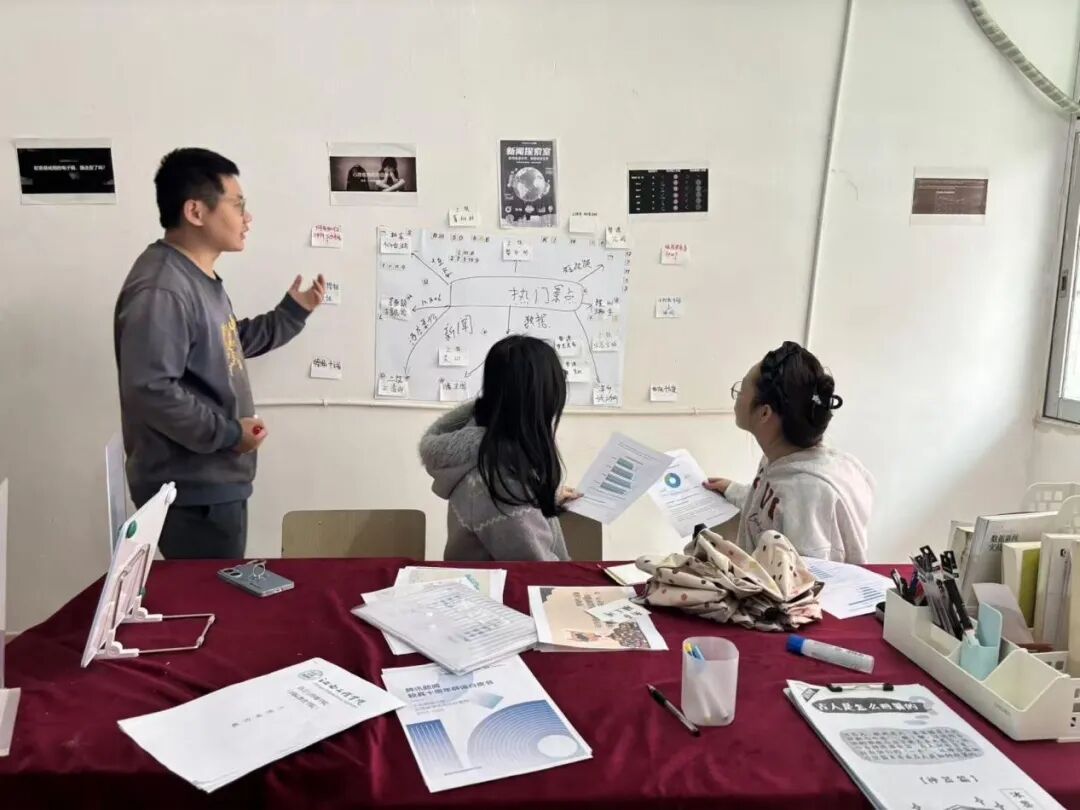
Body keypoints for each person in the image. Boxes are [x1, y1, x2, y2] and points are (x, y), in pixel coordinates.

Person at [114, 148, 326, 559]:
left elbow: (227, 343)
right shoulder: (162, 288)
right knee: (212, 593)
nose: (248, 218)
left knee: (219, 590)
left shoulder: (194, 277)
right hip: (192, 490)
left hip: (209, 483)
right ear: (196, 211)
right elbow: (151, 389)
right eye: (238, 204)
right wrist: (229, 434)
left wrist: (290, 314)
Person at [703, 341, 874, 563]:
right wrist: (732, 490)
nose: (737, 397)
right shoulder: (779, 458)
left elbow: (807, 578)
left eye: (742, 390)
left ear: (764, 413)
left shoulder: (809, 494)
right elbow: (766, 508)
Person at [419, 335, 579, 561]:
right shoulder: (499, 484)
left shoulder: (494, 454)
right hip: (513, 584)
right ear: (537, 396)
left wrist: (546, 497)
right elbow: (537, 568)